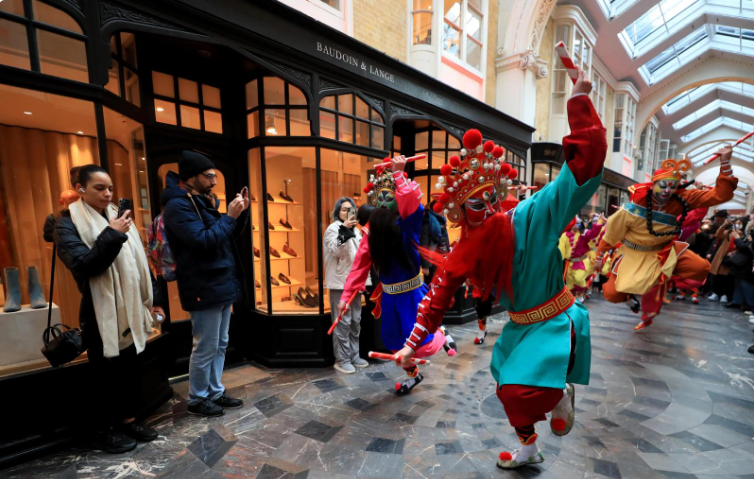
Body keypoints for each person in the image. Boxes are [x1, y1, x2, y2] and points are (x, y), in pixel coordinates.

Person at [396, 67, 606, 470]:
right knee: (503, 385)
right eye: (478, 205)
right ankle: (530, 448)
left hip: (553, 321)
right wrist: (411, 345)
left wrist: (578, 104)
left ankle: (559, 392)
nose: (490, 209)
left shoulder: (530, 216)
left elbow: (578, 173)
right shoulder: (468, 249)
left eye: (493, 198)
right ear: (463, 216)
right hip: (518, 325)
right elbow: (440, 290)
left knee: (516, 391)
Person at [54, 165, 164, 454]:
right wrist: (113, 234)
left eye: (110, 188)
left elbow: (139, 264)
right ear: (80, 188)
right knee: (103, 375)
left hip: (128, 307)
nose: (107, 193)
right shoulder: (66, 223)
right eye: (99, 188)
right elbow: (84, 265)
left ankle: (128, 420)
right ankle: (103, 430)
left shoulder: (117, 216)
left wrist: (155, 299)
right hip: (98, 310)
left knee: (129, 369)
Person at [339, 156, 456, 395]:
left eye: (389, 196)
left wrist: (399, 175)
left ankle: (441, 333)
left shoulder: (409, 223)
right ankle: (414, 375)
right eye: (380, 197)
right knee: (394, 344)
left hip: (412, 295)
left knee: (420, 345)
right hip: (390, 298)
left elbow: (411, 202)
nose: (383, 201)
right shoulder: (372, 231)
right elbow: (359, 266)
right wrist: (346, 296)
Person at [597, 146, 737, 330]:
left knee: (701, 268)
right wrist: (599, 258)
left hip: (663, 254)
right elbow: (611, 235)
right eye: (663, 185)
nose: (667, 191)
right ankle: (632, 298)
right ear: (653, 184)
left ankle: (662, 281)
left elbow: (721, 195)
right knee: (612, 294)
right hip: (633, 255)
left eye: (672, 186)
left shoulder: (682, 199)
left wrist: (725, 162)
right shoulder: (633, 207)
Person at [162, 150, 249, 418]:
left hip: (219, 282)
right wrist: (229, 216)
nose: (214, 181)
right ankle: (197, 399)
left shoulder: (201, 201)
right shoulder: (178, 206)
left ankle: (215, 392)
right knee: (205, 345)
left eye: (214, 176)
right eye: (209, 176)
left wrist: (240, 213)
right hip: (202, 285)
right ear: (191, 177)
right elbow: (203, 241)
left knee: (220, 343)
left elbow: (225, 238)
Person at [323, 197, 369, 374]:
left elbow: (360, 257)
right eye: (344, 209)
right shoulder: (333, 229)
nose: (347, 212)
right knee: (342, 322)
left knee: (356, 321)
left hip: (355, 284)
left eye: (351, 209)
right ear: (337, 212)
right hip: (339, 284)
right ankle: (341, 360)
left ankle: (353, 354)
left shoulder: (357, 230)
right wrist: (346, 229)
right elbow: (336, 250)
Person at [562, 214, 605, 302]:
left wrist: (600, 222)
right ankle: (573, 299)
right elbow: (561, 248)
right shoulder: (565, 235)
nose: (575, 226)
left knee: (579, 279)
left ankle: (582, 292)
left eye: (577, 224)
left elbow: (593, 233)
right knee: (569, 284)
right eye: (573, 224)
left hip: (581, 262)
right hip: (569, 263)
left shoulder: (583, 233)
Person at [707, 215, 740, 304]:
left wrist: (734, 252)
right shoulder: (728, 232)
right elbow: (718, 235)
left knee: (727, 278)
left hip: (732, 258)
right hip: (722, 257)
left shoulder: (740, 233)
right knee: (717, 276)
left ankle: (724, 294)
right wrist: (724, 225)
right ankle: (715, 293)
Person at [420, 198, 450, 284]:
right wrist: (425, 266)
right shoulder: (428, 220)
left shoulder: (441, 220)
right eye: (441, 208)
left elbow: (445, 240)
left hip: (442, 259)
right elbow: (424, 243)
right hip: (433, 260)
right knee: (432, 285)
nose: (443, 211)